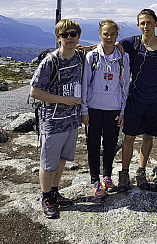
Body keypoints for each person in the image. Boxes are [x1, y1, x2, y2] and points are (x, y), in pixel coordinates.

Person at [30, 19, 84, 219]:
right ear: (58, 37)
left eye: (73, 34)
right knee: (48, 162)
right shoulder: (50, 61)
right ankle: (46, 197)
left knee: (62, 159)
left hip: (71, 120)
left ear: (78, 36)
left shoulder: (80, 56)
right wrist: (65, 100)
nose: (69, 38)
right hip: (52, 121)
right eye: (64, 35)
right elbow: (34, 91)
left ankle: (54, 191)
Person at [117, 9, 157, 191]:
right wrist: (86, 49)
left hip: (155, 100)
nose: (146, 26)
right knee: (129, 137)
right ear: (138, 25)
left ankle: (141, 173)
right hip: (135, 99)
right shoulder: (133, 43)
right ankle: (124, 174)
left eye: (149, 22)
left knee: (148, 136)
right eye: (142, 23)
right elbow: (109, 44)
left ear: (156, 23)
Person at [81, 20, 130, 198]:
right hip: (94, 108)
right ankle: (95, 180)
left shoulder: (123, 58)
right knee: (93, 146)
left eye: (113, 34)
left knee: (110, 145)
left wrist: (123, 110)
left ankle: (107, 177)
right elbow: (85, 84)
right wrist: (84, 110)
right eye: (106, 34)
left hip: (114, 109)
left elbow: (125, 85)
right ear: (100, 35)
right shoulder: (91, 57)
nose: (109, 37)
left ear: (117, 36)